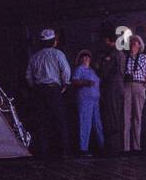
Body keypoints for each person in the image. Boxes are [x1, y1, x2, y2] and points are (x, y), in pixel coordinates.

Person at [25, 28, 70, 158]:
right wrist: (65, 85)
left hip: (39, 91)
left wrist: (35, 87)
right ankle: (63, 152)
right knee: (60, 121)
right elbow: (66, 71)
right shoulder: (58, 54)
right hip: (54, 90)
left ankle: (43, 152)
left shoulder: (35, 57)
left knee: (41, 123)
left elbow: (28, 76)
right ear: (53, 41)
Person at [98, 26, 126, 154]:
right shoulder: (121, 53)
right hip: (120, 86)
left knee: (112, 116)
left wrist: (101, 64)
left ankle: (114, 147)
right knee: (119, 115)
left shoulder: (113, 54)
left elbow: (105, 71)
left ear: (108, 40)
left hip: (112, 87)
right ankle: (120, 146)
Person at [71, 50, 104, 157]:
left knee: (97, 124)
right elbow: (74, 81)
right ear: (80, 59)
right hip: (85, 99)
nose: (86, 58)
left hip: (95, 100)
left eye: (88, 57)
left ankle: (102, 146)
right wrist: (86, 82)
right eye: (83, 57)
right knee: (85, 123)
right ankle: (83, 148)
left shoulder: (92, 71)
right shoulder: (80, 69)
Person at [123, 33, 146, 153]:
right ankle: (125, 148)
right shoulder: (125, 57)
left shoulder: (144, 58)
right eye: (131, 43)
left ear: (139, 45)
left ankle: (136, 146)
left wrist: (145, 85)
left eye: (134, 43)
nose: (132, 45)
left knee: (137, 117)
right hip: (127, 85)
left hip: (139, 85)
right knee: (125, 117)